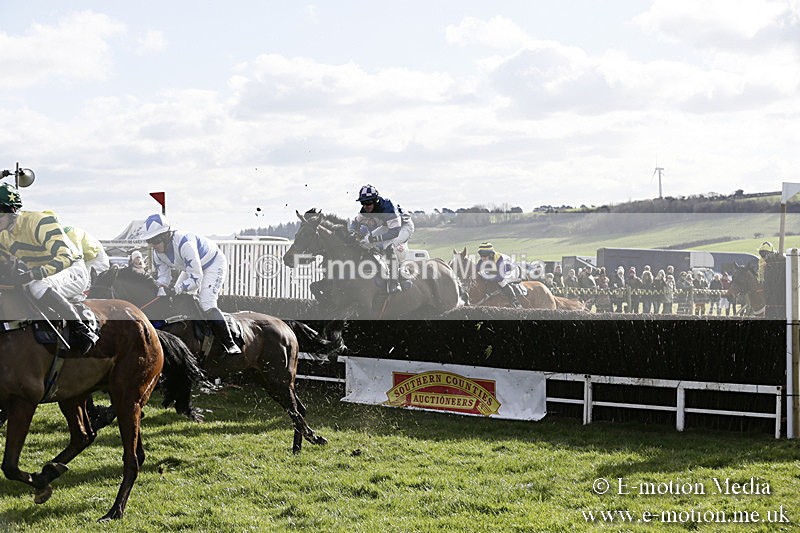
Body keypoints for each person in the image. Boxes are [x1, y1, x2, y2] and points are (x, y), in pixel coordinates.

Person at [0, 183, 98, 353]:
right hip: (40, 275)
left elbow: (65, 257)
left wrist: (34, 274)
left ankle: (82, 329)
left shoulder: (39, 222)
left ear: (13, 211)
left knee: (37, 285)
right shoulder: (3, 235)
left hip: (72, 270)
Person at [139, 213, 241, 355]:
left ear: (166, 236)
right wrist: (161, 289)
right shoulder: (157, 254)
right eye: (149, 241)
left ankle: (230, 343)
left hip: (213, 264)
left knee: (206, 302)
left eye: (154, 241)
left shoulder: (185, 244)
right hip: (191, 269)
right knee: (178, 300)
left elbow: (196, 279)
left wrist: (177, 289)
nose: (151, 245)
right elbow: (163, 279)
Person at [350, 184, 415, 293]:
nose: (366, 206)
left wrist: (373, 239)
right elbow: (355, 222)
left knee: (389, 246)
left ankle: (395, 281)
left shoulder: (387, 208)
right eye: (363, 203)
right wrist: (352, 233)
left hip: (404, 227)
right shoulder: (365, 209)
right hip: (388, 226)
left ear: (375, 201)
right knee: (364, 243)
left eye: (368, 203)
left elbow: (394, 232)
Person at [475, 242, 522, 308]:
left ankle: (515, 302)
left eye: (485, 255)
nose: (483, 258)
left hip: (513, 271)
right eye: (481, 255)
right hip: (500, 271)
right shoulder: (483, 260)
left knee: (501, 282)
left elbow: (500, 278)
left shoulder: (499, 259)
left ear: (491, 254)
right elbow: (476, 270)